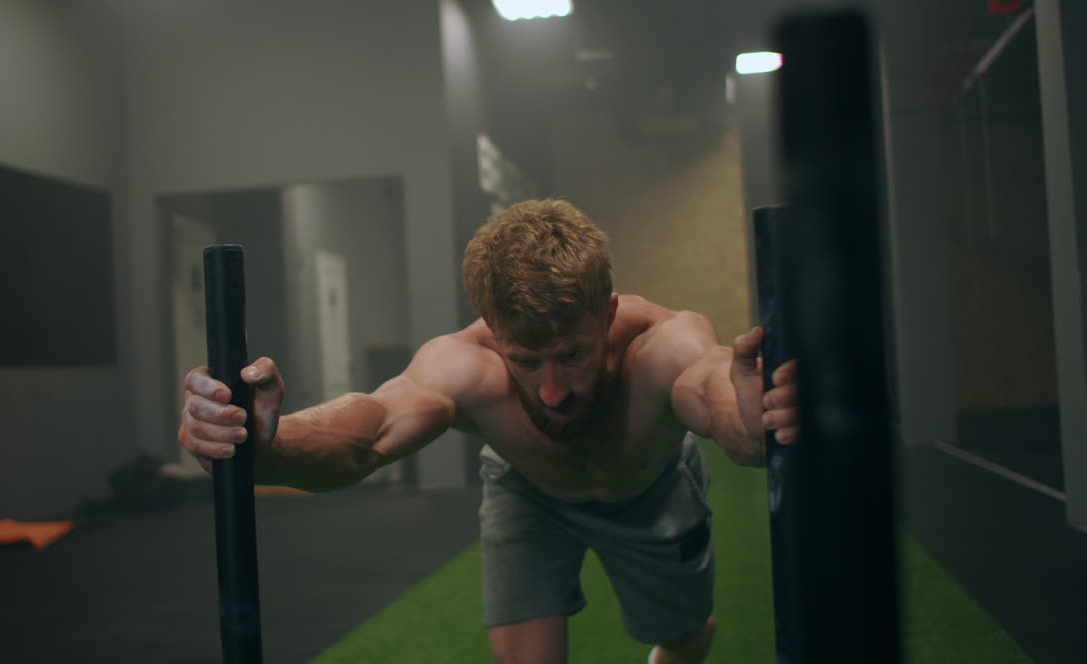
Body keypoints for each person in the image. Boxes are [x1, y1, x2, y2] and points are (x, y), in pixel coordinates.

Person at [178, 198, 799, 664]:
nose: (553, 390)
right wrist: (269, 444)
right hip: (530, 492)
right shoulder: (463, 366)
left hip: (653, 489)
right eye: (527, 362)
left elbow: (711, 385)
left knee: (685, 639)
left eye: (573, 355)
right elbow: (370, 433)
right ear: (493, 330)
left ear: (606, 312)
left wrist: (751, 415)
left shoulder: (663, 343)